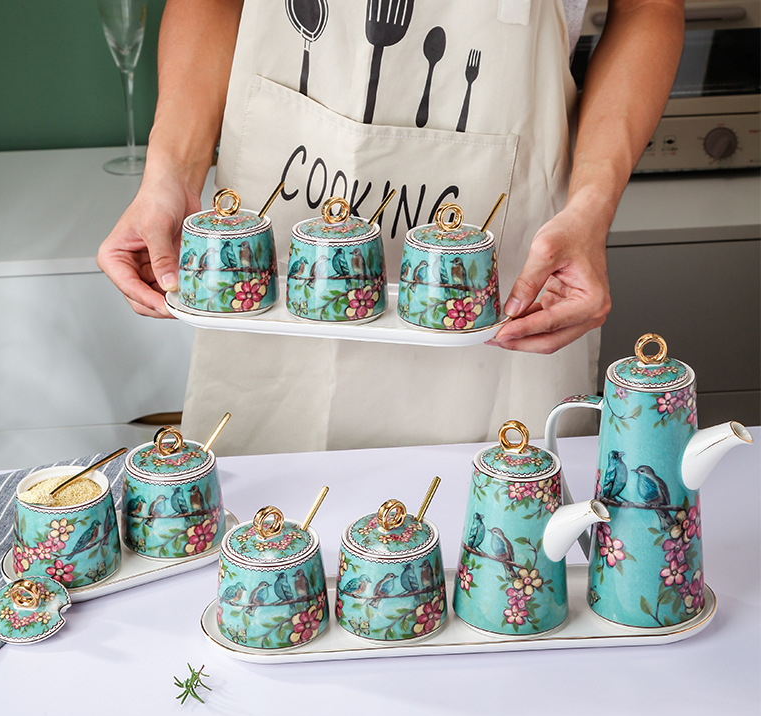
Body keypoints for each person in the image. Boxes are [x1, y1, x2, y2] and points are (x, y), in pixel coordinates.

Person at [97, 0, 684, 455]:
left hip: (513, 253)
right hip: (280, 232)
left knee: (498, 531)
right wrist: (169, 173)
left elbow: (649, 9)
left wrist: (591, 208)